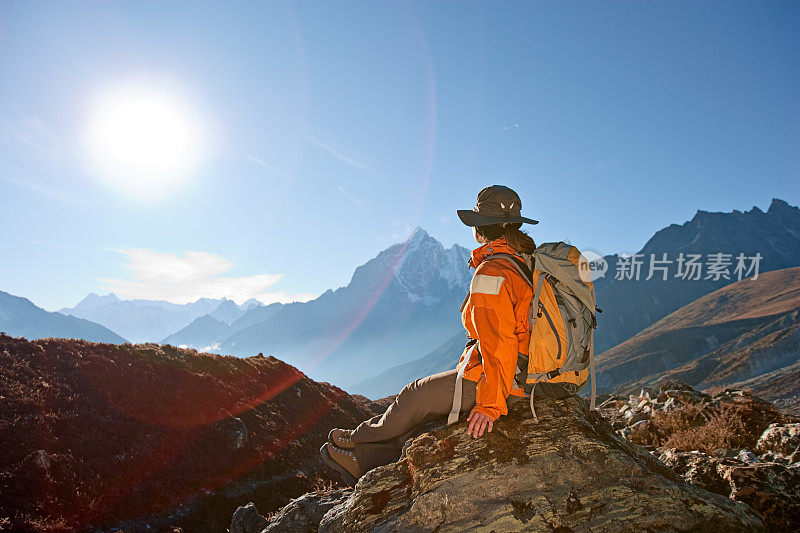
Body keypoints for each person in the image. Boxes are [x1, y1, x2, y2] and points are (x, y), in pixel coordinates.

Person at [320, 185, 568, 485]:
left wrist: (490, 406)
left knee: (416, 394)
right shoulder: (522, 259)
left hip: (508, 379)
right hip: (534, 372)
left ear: (480, 228)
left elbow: (500, 342)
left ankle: (358, 446)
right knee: (428, 410)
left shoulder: (492, 273)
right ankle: (363, 454)